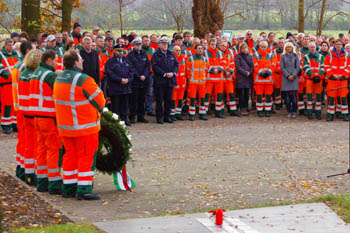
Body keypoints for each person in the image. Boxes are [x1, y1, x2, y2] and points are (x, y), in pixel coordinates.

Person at [53, 49, 105, 200]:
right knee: (86, 157)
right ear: (76, 62)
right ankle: (83, 189)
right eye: (81, 60)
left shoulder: (59, 78)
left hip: (65, 127)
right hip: (84, 127)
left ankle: (68, 188)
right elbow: (100, 101)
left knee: (70, 157)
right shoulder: (84, 80)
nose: (82, 62)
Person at [30, 49, 63, 194]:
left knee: (42, 149)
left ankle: (42, 182)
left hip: (37, 116)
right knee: (53, 149)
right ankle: (54, 183)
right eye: (56, 60)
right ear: (49, 60)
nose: (57, 63)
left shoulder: (36, 72)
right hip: (49, 117)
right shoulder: (49, 75)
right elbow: (59, 93)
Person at [19, 49, 42, 186]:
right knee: (37, 145)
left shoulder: (24, 74)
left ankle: (28, 173)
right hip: (33, 113)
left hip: (24, 112)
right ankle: (36, 174)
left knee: (28, 144)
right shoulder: (34, 75)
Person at [12, 41, 33, 181]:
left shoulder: (16, 66)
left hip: (18, 106)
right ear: (28, 52)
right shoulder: (25, 67)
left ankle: (21, 168)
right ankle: (28, 171)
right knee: (29, 141)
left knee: (22, 139)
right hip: (26, 108)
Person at [151, 37, 179, 124]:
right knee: (159, 100)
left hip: (170, 81)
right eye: (163, 44)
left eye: (166, 44)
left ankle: (167, 116)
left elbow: (176, 64)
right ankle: (159, 117)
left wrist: (173, 73)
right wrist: (164, 74)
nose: (165, 45)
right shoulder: (156, 55)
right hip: (160, 81)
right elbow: (155, 66)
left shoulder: (171, 54)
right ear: (159, 45)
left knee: (168, 100)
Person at [105, 45, 134, 126]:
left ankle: (124, 119)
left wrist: (128, 79)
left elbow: (132, 71)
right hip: (116, 88)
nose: (120, 52)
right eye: (118, 51)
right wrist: (120, 79)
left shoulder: (127, 61)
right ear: (114, 51)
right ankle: (116, 121)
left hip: (126, 87)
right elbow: (109, 73)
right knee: (116, 106)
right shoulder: (110, 62)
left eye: (121, 51)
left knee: (125, 105)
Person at [324, 39, 349, 121]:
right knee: (331, 97)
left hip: (342, 79)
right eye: (337, 44)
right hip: (333, 79)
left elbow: (349, 66)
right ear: (334, 45)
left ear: (342, 45)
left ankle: (344, 115)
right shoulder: (329, 54)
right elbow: (326, 66)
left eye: (340, 44)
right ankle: (330, 115)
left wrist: (343, 74)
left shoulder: (347, 54)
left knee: (343, 97)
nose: (339, 46)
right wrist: (332, 74)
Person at [126, 38, 150, 124]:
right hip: (135, 81)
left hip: (143, 81)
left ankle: (141, 116)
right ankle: (132, 116)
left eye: (140, 45)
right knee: (133, 100)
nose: (139, 46)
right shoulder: (130, 55)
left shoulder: (144, 54)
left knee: (142, 100)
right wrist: (138, 76)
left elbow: (147, 66)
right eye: (137, 45)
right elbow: (131, 67)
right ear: (134, 45)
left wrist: (145, 75)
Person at [0, 38, 20, 134]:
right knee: (7, 104)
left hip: (15, 83)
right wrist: (11, 76)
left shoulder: (16, 54)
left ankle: (15, 124)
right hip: (6, 83)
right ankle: (5, 125)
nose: (10, 47)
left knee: (15, 104)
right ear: (5, 45)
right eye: (9, 45)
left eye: (12, 45)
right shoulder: (1, 55)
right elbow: (1, 70)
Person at [252, 41, 276, 117]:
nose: (263, 48)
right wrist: (261, 73)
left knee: (268, 96)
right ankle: (259, 111)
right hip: (258, 80)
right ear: (259, 47)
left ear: (267, 47)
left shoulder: (271, 55)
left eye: (264, 47)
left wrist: (268, 72)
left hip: (269, 80)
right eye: (262, 47)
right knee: (259, 96)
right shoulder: (255, 55)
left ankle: (268, 110)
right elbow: (255, 65)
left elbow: (273, 65)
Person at [186, 44, 209, 121]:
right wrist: (190, 79)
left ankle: (202, 114)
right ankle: (191, 114)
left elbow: (206, 70)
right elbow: (187, 71)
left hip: (202, 83)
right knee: (192, 99)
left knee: (202, 99)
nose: (200, 50)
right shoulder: (190, 59)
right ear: (195, 49)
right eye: (199, 48)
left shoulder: (205, 59)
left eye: (201, 48)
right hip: (193, 83)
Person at [303, 42, 325, 120]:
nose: (312, 48)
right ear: (308, 48)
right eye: (311, 47)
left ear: (316, 47)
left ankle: (318, 114)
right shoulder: (306, 57)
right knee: (309, 97)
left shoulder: (321, 56)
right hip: (310, 79)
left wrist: (319, 76)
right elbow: (305, 68)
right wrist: (312, 76)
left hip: (319, 80)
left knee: (318, 97)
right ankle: (309, 114)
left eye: (314, 47)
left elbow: (323, 67)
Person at [204, 38, 225, 118]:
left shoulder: (220, 53)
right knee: (207, 96)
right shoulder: (205, 53)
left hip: (219, 78)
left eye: (214, 44)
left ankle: (218, 112)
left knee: (219, 96)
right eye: (212, 44)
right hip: (209, 79)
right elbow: (205, 65)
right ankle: (204, 112)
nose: (213, 45)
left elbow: (224, 63)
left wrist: (218, 69)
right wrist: (212, 70)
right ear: (209, 44)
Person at [218, 41, 238, 116]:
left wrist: (230, 71)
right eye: (222, 45)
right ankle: (220, 111)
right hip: (220, 77)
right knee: (220, 95)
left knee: (231, 94)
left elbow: (232, 64)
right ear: (219, 46)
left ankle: (233, 110)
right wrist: (224, 72)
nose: (224, 47)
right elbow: (217, 65)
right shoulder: (217, 54)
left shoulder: (229, 54)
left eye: (225, 46)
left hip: (229, 77)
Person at [280, 42, 300, 119]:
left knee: (294, 96)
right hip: (286, 78)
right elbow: (282, 67)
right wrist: (288, 75)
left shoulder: (295, 56)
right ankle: (289, 111)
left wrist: (294, 75)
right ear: (285, 48)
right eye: (287, 48)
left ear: (292, 48)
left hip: (294, 78)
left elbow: (297, 67)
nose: (289, 49)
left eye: (290, 47)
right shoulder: (283, 56)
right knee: (287, 97)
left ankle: (294, 111)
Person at [235, 42, 254, 116]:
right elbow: (238, 67)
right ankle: (242, 108)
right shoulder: (238, 56)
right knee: (241, 94)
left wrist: (250, 72)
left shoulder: (250, 56)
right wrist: (245, 72)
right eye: (243, 48)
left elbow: (252, 66)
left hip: (248, 78)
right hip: (241, 78)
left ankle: (246, 107)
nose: (244, 49)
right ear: (240, 49)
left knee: (247, 93)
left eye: (245, 48)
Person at [141, 35, 156, 116]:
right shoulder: (140, 49)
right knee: (141, 92)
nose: (146, 42)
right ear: (142, 41)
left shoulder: (153, 50)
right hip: (141, 74)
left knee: (150, 92)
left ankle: (149, 109)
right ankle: (141, 109)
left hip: (150, 73)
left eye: (147, 40)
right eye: (145, 40)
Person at [171, 45, 186, 121]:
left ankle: (178, 114)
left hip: (182, 83)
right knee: (173, 100)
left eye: (179, 50)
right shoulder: (171, 59)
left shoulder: (183, 59)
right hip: (174, 82)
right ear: (173, 51)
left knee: (180, 99)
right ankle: (172, 114)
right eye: (176, 50)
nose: (178, 52)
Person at [273, 37, 285, 110]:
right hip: (277, 73)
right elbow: (273, 62)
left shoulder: (286, 51)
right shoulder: (274, 51)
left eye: (282, 42)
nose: (281, 44)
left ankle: (284, 102)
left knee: (284, 89)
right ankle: (278, 103)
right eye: (279, 42)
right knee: (277, 89)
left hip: (284, 74)